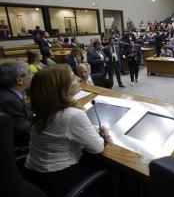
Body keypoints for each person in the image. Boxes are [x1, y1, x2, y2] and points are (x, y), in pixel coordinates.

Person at [23, 65, 111, 196]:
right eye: (72, 78)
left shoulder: (44, 108)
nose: (77, 77)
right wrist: (106, 136)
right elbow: (97, 148)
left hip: (33, 173)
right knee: (112, 169)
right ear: (62, 88)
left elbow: (61, 129)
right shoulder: (72, 115)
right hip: (58, 180)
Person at [0, 62, 33, 147]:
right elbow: (26, 132)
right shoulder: (9, 101)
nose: (33, 75)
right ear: (20, 80)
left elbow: (26, 108)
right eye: (30, 72)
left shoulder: (11, 93)